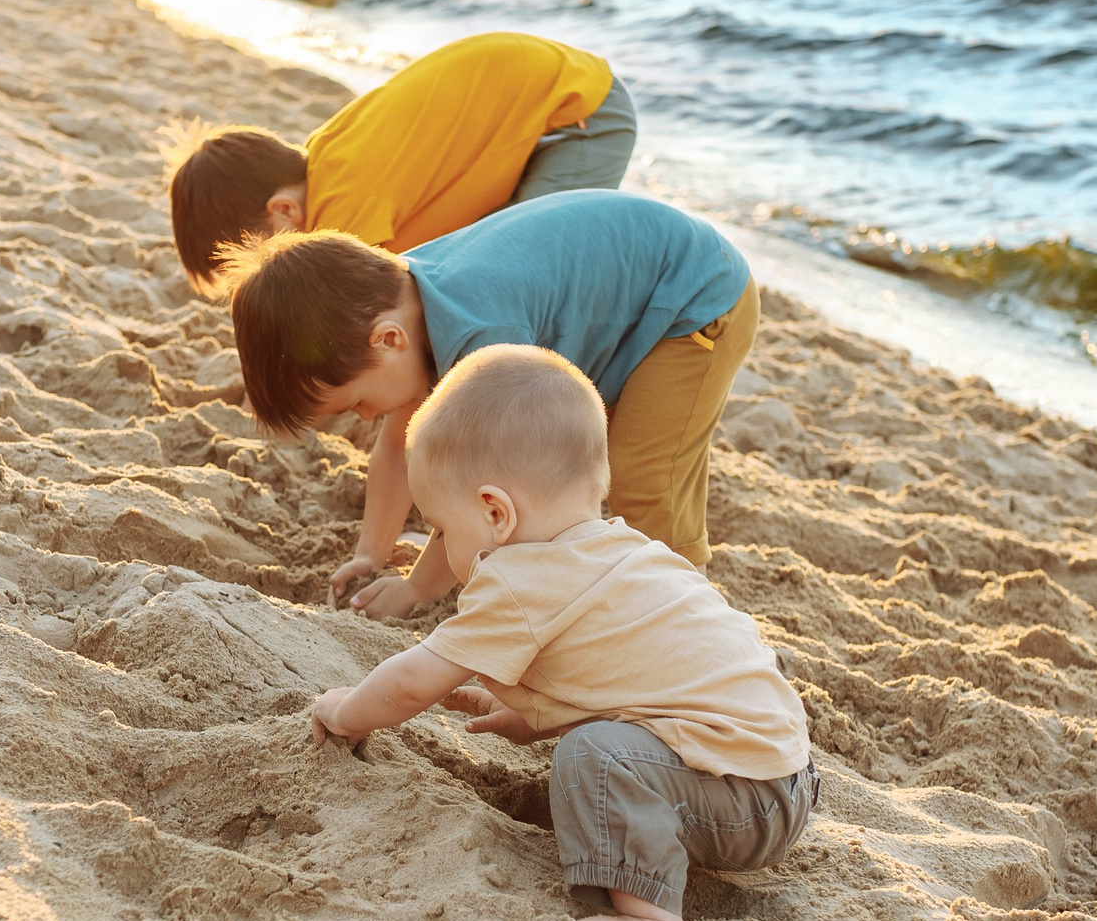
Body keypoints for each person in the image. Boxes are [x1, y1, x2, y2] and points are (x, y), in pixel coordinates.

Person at [307, 345, 815, 921]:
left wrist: (346, 711)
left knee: (593, 758)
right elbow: (642, 686)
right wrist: (535, 713)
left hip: (743, 801)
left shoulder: (518, 577)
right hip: (785, 777)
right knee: (596, 744)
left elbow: (413, 683)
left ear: (495, 512)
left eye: (443, 527)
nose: (444, 546)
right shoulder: (626, 551)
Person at [228, 190, 757, 618]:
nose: (365, 417)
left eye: (358, 402)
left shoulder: (484, 336)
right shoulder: (400, 300)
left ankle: (689, 610)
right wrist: (372, 550)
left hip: (694, 302)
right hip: (627, 299)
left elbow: (487, 489)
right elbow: (395, 448)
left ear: (388, 340)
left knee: (645, 476)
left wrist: (418, 589)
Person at [168, 31, 637, 290]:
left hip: (581, 113)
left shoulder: (343, 209)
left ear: (284, 212)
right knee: (480, 255)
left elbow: (373, 305)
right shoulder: (328, 156)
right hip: (527, 104)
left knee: (527, 264)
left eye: (259, 265)